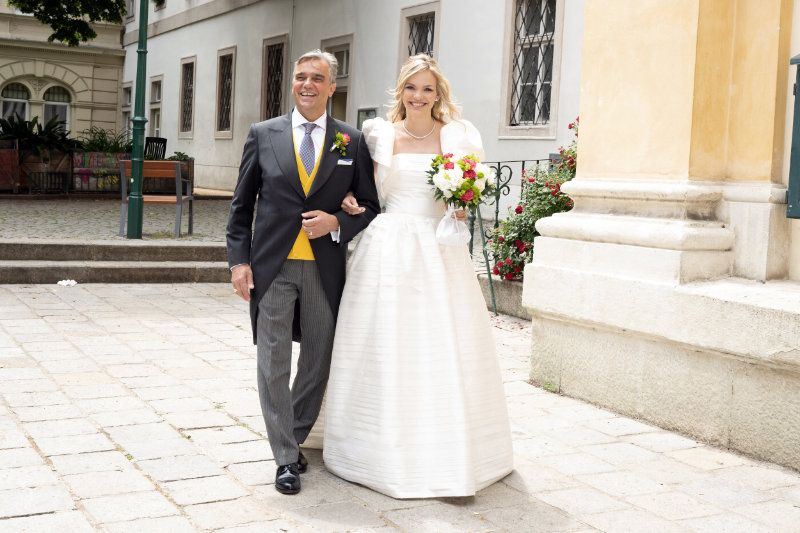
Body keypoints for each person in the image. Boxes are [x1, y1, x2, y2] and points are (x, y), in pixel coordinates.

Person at [322, 54, 513, 498]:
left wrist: (461, 202)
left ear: (438, 93)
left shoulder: (457, 136)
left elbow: (465, 187)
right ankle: (375, 445)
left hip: (437, 249)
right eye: (412, 87)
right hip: (387, 245)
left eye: (428, 88)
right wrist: (350, 201)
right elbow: (364, 191)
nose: (419, 96)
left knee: (438, 340)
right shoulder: (378, 135)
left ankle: (446, 448)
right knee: (386, 338)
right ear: (401, 91)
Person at [226, 50, 379, 495]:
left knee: (317, 357)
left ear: (332, 87)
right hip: (271, 266)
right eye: (300, 77)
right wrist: (239, 262)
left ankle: (293, 432)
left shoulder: (350, 142)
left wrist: (338, 222)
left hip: (324, 268)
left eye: (318, 78)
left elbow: (369, 205)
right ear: (292, 84)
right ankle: (285, 457)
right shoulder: (263, 134)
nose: (307, 84)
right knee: (272, 360)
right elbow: (240, 208)